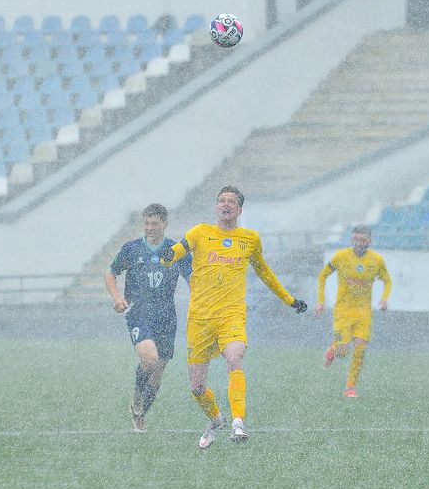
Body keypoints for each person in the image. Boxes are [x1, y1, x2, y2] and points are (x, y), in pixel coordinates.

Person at [160, 186, 307, 448]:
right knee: (197, 387)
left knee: (235, 357)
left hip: (232, 315)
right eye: (221, 201)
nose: (225, 205)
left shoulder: (249, 239)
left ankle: (239, 421)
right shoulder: (200, 232)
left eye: (231, 202)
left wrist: (290, 300)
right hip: (200, 319)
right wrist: (167, 256)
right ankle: (216, 419)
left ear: (239, 210)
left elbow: (265, 274)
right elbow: (177, 251)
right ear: (216, 207)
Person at [105, 203, 192, 432]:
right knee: (150, 360)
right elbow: (110, 274)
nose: (150, 228)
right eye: (146, 223)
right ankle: (136, 398)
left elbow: (193, 280)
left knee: (157, 373)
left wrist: (201, 301)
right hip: (139, 313)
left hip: (166, 316)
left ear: (165, 224)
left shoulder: (175, 250)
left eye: (154, 223)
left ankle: (141, 412)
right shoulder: (132, 249)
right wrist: (116, 298)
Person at [315, 225, 392, 397]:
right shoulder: (341, 257)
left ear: (369, 241)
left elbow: (387, 280)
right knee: (343, 350)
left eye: (362, 240)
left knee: (360, 348)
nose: (358, 243)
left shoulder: (376, 260)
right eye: (355, 239)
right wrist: (320, 301)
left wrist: (385, 298)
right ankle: (333, 349)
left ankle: (350, 387)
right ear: (351, 239)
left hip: (363, 312)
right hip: (342, 311)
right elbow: (323, 275)